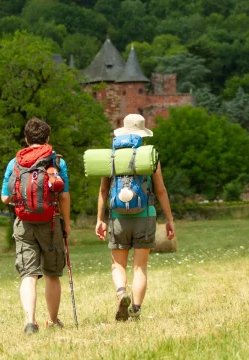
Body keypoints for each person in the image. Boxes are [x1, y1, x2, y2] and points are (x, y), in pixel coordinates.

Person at [95, 114, 176, 321]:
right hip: (145, 215)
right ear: (142, 135)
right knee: (140, 266)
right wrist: (169, 219)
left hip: (117, 217)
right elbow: (161, 191)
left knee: (117, 265)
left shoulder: (110, 156)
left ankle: (122, 292)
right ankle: (136, 310)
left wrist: (100, 219)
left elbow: (104, 190)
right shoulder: (150, 156)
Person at [1, 118, 71, 334]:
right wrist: (66, 224)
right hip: (51, 223)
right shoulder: (57, 161)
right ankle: (52, 319)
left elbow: (5, 198)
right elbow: (64, 196)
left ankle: (30, 321)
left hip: (24, 224)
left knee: (29, 274)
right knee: (52, 273)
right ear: (47, 138)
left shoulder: (15, 163)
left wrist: (23, 202)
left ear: (26, 138)